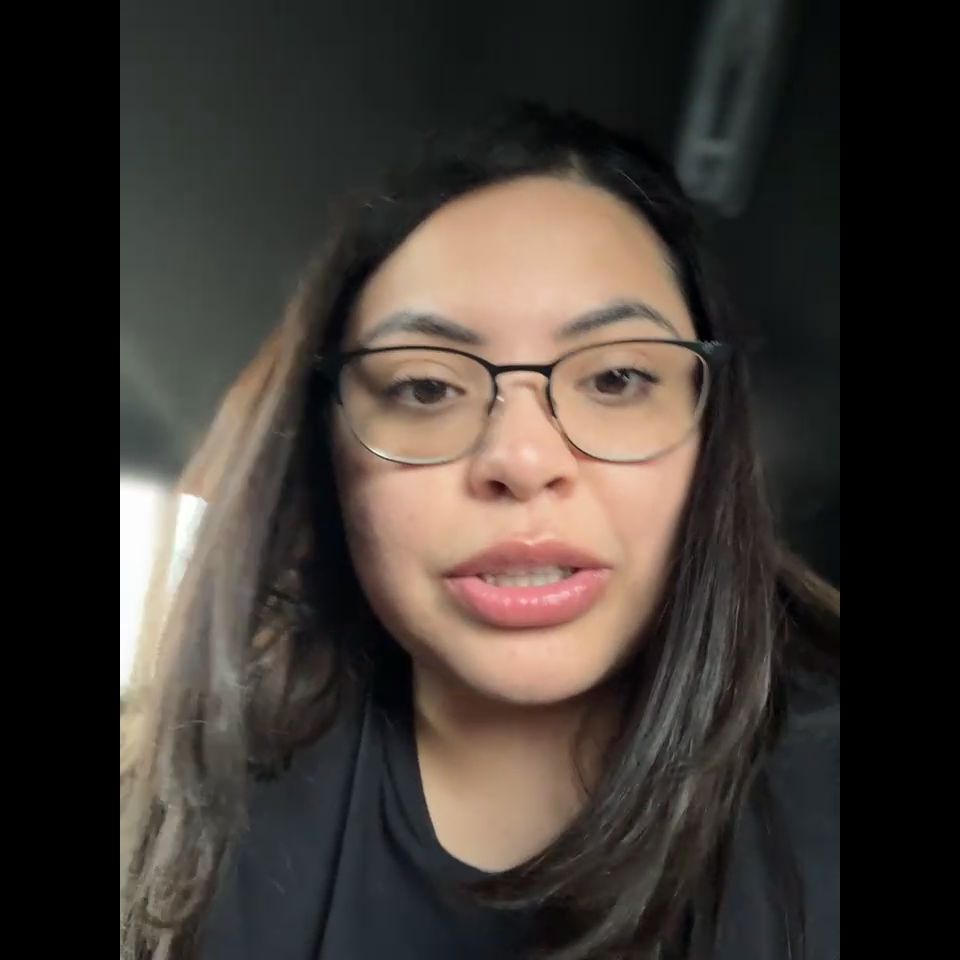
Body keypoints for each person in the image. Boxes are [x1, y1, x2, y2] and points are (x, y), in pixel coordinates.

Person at [120, 102, 839, 960]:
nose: (523, 459)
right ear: (328, 454)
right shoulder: (184, 807)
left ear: (713, 437)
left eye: (616, 378)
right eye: (426, 389)